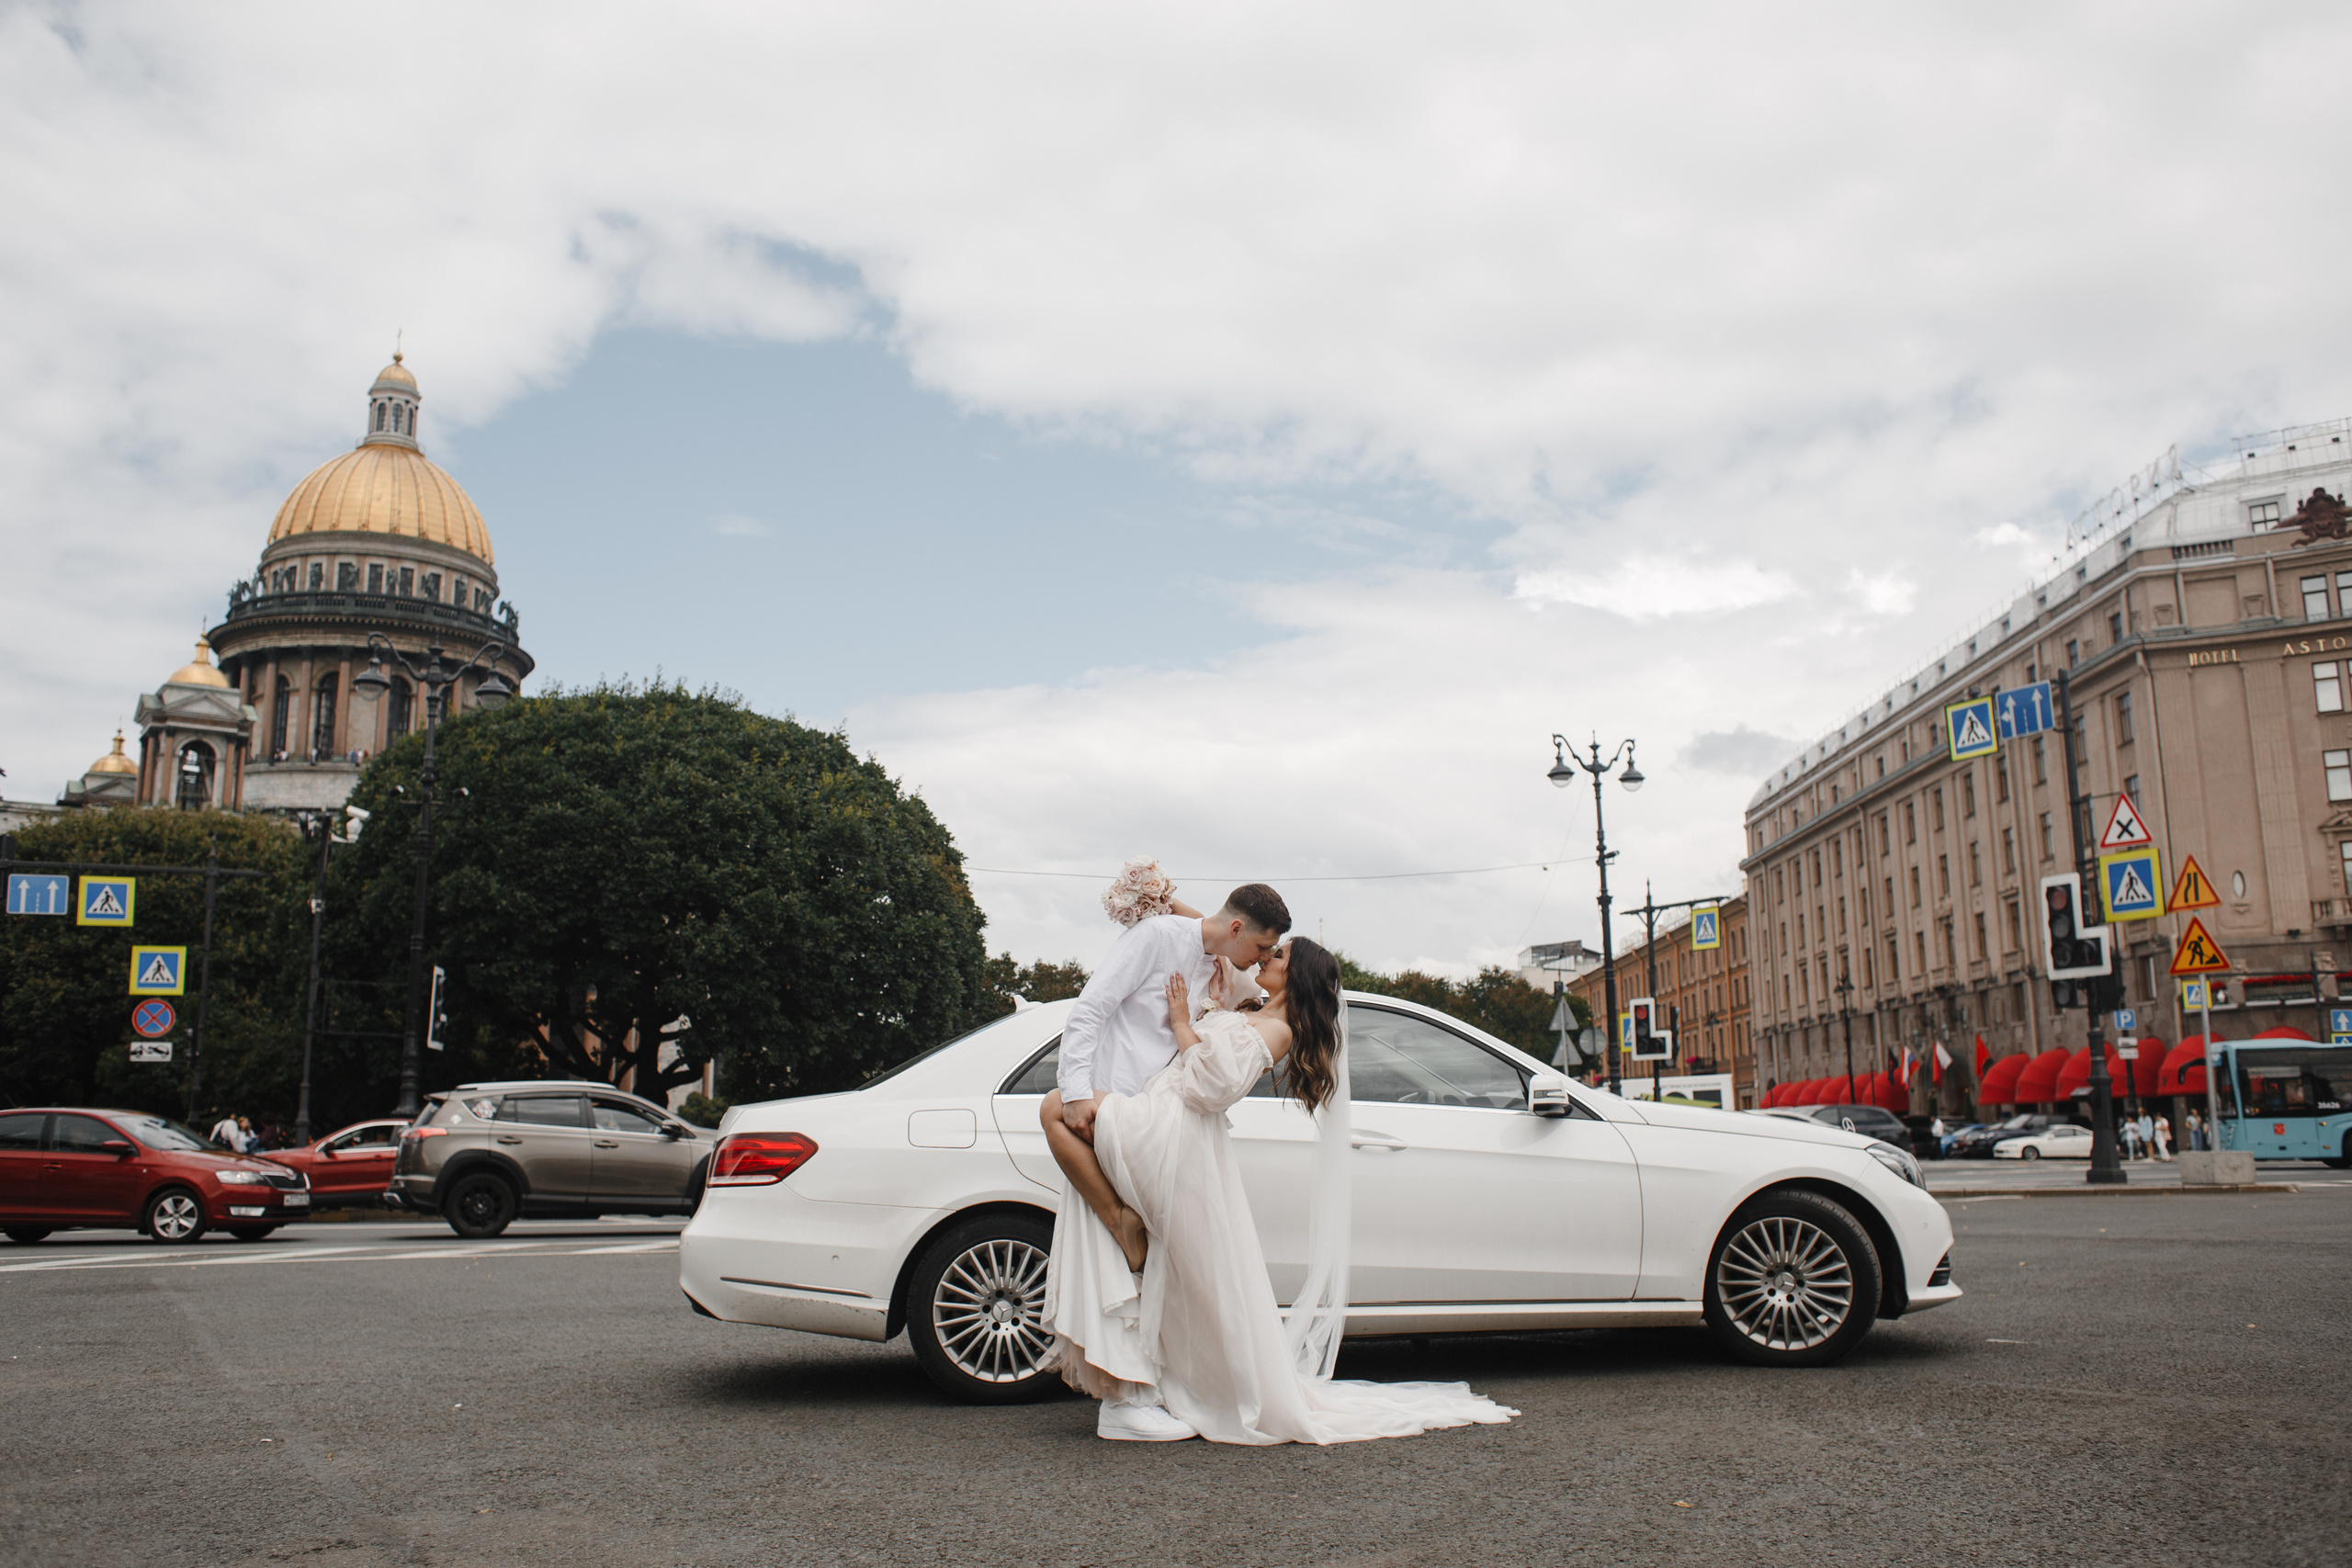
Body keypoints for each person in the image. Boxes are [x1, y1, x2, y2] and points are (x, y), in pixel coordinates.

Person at [1043, 937, 1515, 1445]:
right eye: (1271, 951)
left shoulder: (1278, 1030)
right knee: (1187, 1274)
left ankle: (1120, 1224)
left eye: (1281, 956)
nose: (1267, 958)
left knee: (1056, 1106)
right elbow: (1228, 930)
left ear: (1299, 976)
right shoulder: (1250, 1003)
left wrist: (1183, 1022)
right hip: (1166, 1126)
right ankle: (1139, 1326)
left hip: (1170, 1128)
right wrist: (1158, 894)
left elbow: (1210, 1090)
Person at [1041, 882, 1290, 1440]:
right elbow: (1091, 1010)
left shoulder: (1223, 965)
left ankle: (1145, 1391)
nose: (1263, 960)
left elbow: (1235, 956)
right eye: (1262, 947)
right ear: (1237, 931)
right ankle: (1122, 1401)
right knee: (1110, 1256)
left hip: (1155, 1122)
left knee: (1153, 1265)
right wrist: (1078, 1090)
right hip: (1110, 1104)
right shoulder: (1155, 938)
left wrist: (1173, 897)